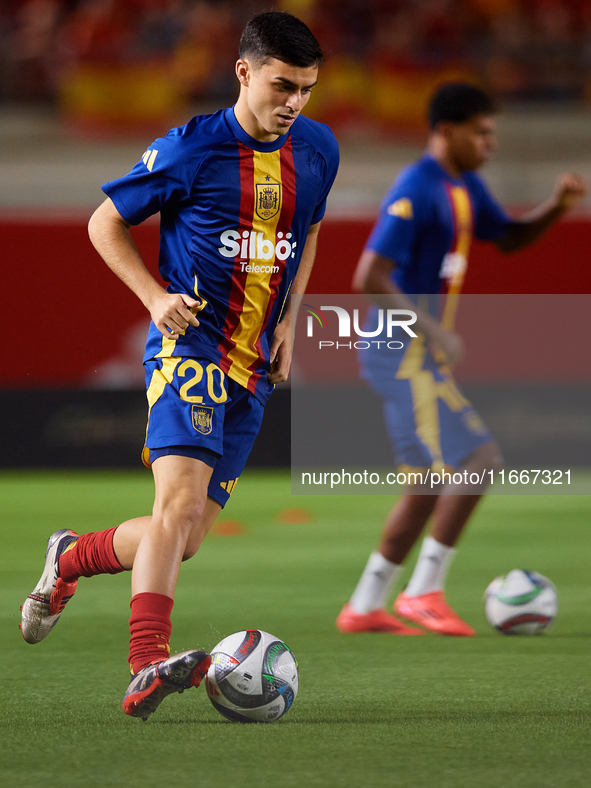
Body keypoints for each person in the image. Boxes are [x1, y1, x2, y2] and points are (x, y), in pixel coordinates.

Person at [21, 11, 339, 720]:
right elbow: (104, 222)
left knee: (184, 538)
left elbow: (310, 227)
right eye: (282, 85)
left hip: (253, 366)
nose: (293, 102)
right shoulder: (188, 149)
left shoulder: (317, 149)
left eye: (307, 89)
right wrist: (154, 294)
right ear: (244, 73)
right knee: (180, 507)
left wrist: (290, 318)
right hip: (189, 350)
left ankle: (71, 558)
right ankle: (144, 665)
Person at [336, 82, 586, 637]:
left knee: (426, 482)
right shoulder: (416, 188)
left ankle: (364, 603)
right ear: (447, 131)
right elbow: (368, 275)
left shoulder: (465, 186)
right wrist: (429, 330)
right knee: (480, 459)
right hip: (401, 351)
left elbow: (511, 238)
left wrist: (556, 206)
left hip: (413, 354)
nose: (491, 143)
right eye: (482, 132)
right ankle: (423, 592)